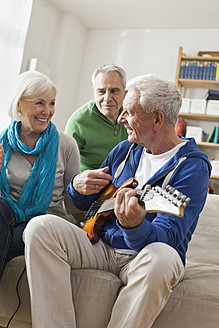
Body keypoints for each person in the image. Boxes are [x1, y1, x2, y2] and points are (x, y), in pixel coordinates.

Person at [23, 74, 211, 328]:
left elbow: (169, 236)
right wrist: (77, 187)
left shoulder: (191, 168)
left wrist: (135, 226)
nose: (120, 118)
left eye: (129, 112)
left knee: (163, 258)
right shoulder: (125, 150)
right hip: (101, 244)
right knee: (40, 227)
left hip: (143, 255)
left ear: (157, 118)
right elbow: (87, 203)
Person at [0, 70, 80, 280]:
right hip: (7, 219)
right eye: (39, 103)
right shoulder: (2, 144)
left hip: (44, 222)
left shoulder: (66, 145)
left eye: (51, 103)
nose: (47, 111)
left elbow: (74, 204)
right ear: (19, 104)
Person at [64, 63, 128, 171]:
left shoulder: (132, 114)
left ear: (125, 93)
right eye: (101, 91)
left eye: (114, 91)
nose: (107, 98)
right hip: (92, 181)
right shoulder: (78, 122)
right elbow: (63, 164)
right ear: (94, 92)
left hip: (125, 178)